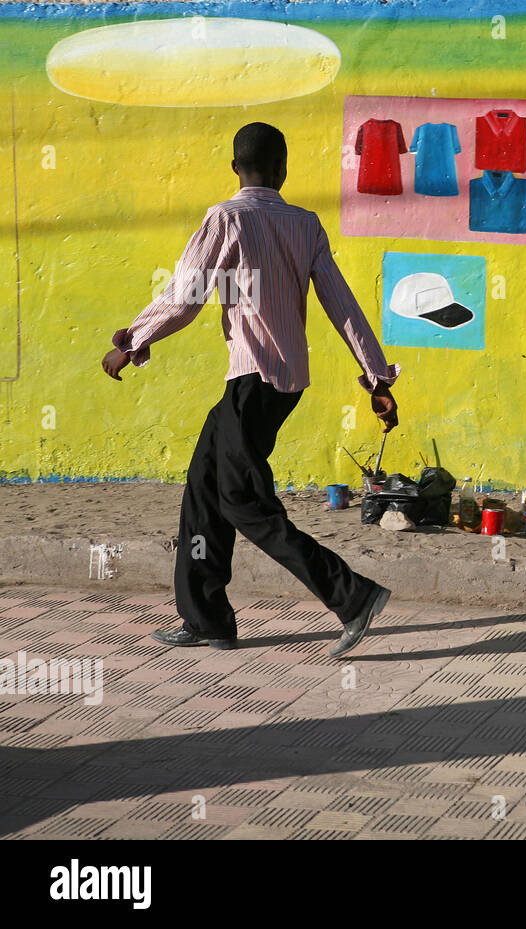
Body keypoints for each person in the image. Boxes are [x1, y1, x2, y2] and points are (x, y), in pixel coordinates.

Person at [100, 122, 396, 658]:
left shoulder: (226, 218)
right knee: (204, 488)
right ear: (283, 169)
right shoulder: (305, 225)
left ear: (235, 167)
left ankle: (352, 596)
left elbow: (185, 297)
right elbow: (342, 305)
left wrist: (132, 341)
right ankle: (207, 617)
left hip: (253, 380)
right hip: (278, 385)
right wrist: (375, 376)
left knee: (244, 503)